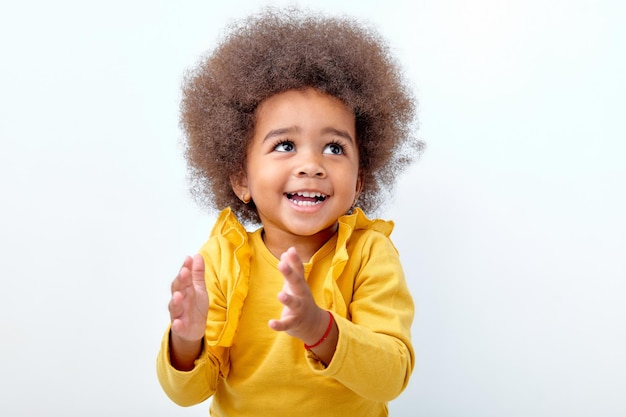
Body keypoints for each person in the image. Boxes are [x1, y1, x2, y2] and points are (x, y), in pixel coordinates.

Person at [156, 7, 423, 417]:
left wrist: (320, 329)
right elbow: (187, 394)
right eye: (285, 145)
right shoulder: (219, 260)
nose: (311, 165)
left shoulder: (370, 255)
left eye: (334, 148)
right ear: (240, 177)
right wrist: (186, 341)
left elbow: (390, 376)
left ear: (359, 181)